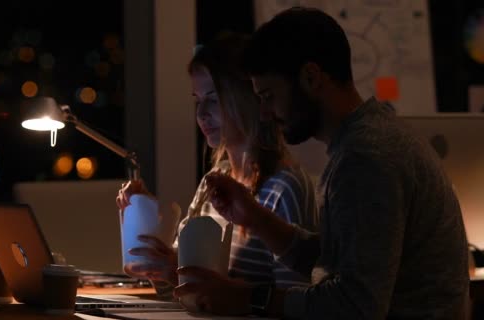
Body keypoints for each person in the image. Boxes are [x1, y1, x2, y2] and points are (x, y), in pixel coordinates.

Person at [173, 6, 470, 319]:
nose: (263, 113)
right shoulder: (365, 142)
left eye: (269, 96)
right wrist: (256, 219)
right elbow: (342, 258)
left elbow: (356, 306)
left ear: (311, 77)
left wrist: (248, 297)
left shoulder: (367, 158)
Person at [116, 33, 319, 301]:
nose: (201, 114)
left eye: (213, 99)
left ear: (248, 97)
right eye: (197, 100)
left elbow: (294, 302)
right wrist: (143, 216)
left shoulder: (284, 188)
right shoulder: (215, 180)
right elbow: (176, 289)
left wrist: (181, 276)